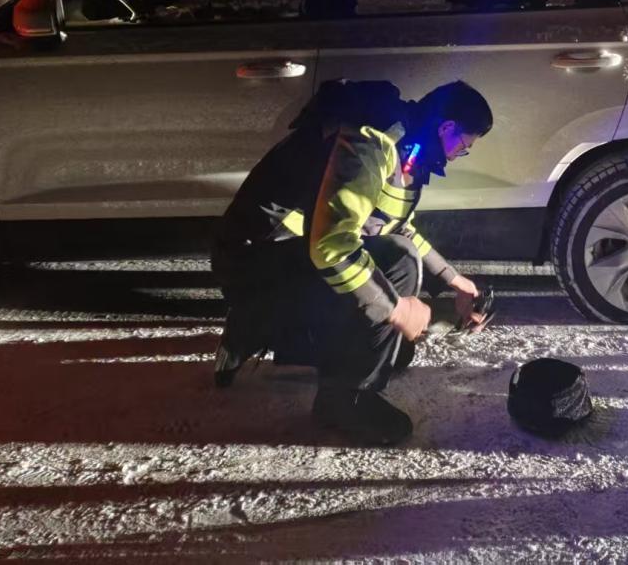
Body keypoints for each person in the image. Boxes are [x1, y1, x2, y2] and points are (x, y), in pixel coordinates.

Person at [210, 79, 494, 445]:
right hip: (256, 267)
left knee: (393, 344)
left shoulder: (404, 144)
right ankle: (344, 399)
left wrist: (454, 280)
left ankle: (256, 326)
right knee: (400, 263)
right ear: (447, 127)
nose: (459, 155)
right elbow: (332, 246)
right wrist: (396, 309)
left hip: (283, 258)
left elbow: (394, 227)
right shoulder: (372, 139)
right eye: (464, 146)